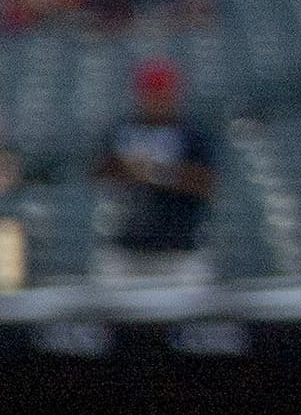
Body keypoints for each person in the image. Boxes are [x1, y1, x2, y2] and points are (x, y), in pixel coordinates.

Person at [92, 56, 215, 282]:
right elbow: (98, 173)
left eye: (163, 95)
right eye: (151, 94)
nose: (157, 101)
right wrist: (126, 170)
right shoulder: (122, 130)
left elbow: (206, 183)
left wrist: (156, 173)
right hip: (126, 249)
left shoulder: (192, 134)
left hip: (180, 250)